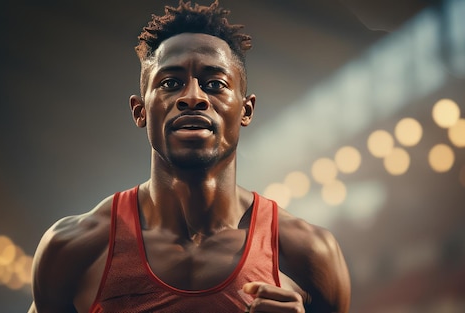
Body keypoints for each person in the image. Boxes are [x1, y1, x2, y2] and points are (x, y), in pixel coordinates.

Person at [28, 1, 351, 312]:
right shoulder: (73, 250)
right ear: (140, 111)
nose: (194, 97)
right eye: (171, 83)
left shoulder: (307, 254)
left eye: (214, 84)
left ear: (246, 110)